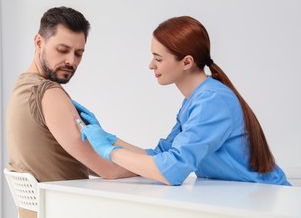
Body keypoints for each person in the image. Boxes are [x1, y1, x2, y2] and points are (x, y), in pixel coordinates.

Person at [74, 15, 291, 186]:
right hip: (244, 198)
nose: (151, 65)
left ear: (187, 62)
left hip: (268, 201)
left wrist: (109, 151)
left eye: (158, 58)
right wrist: (109, 137)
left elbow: (171, 171)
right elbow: (162, 155)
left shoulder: (212, 101)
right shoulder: (196, 100)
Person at [6, 6, 135, 217]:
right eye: (63, 50)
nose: (71, 61)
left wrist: (151, 156)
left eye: (79, 53)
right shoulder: (49, 93)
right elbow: (107, 169)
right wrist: (158, 165)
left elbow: (88, 160)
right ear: (39, 42)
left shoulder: (22, 86)